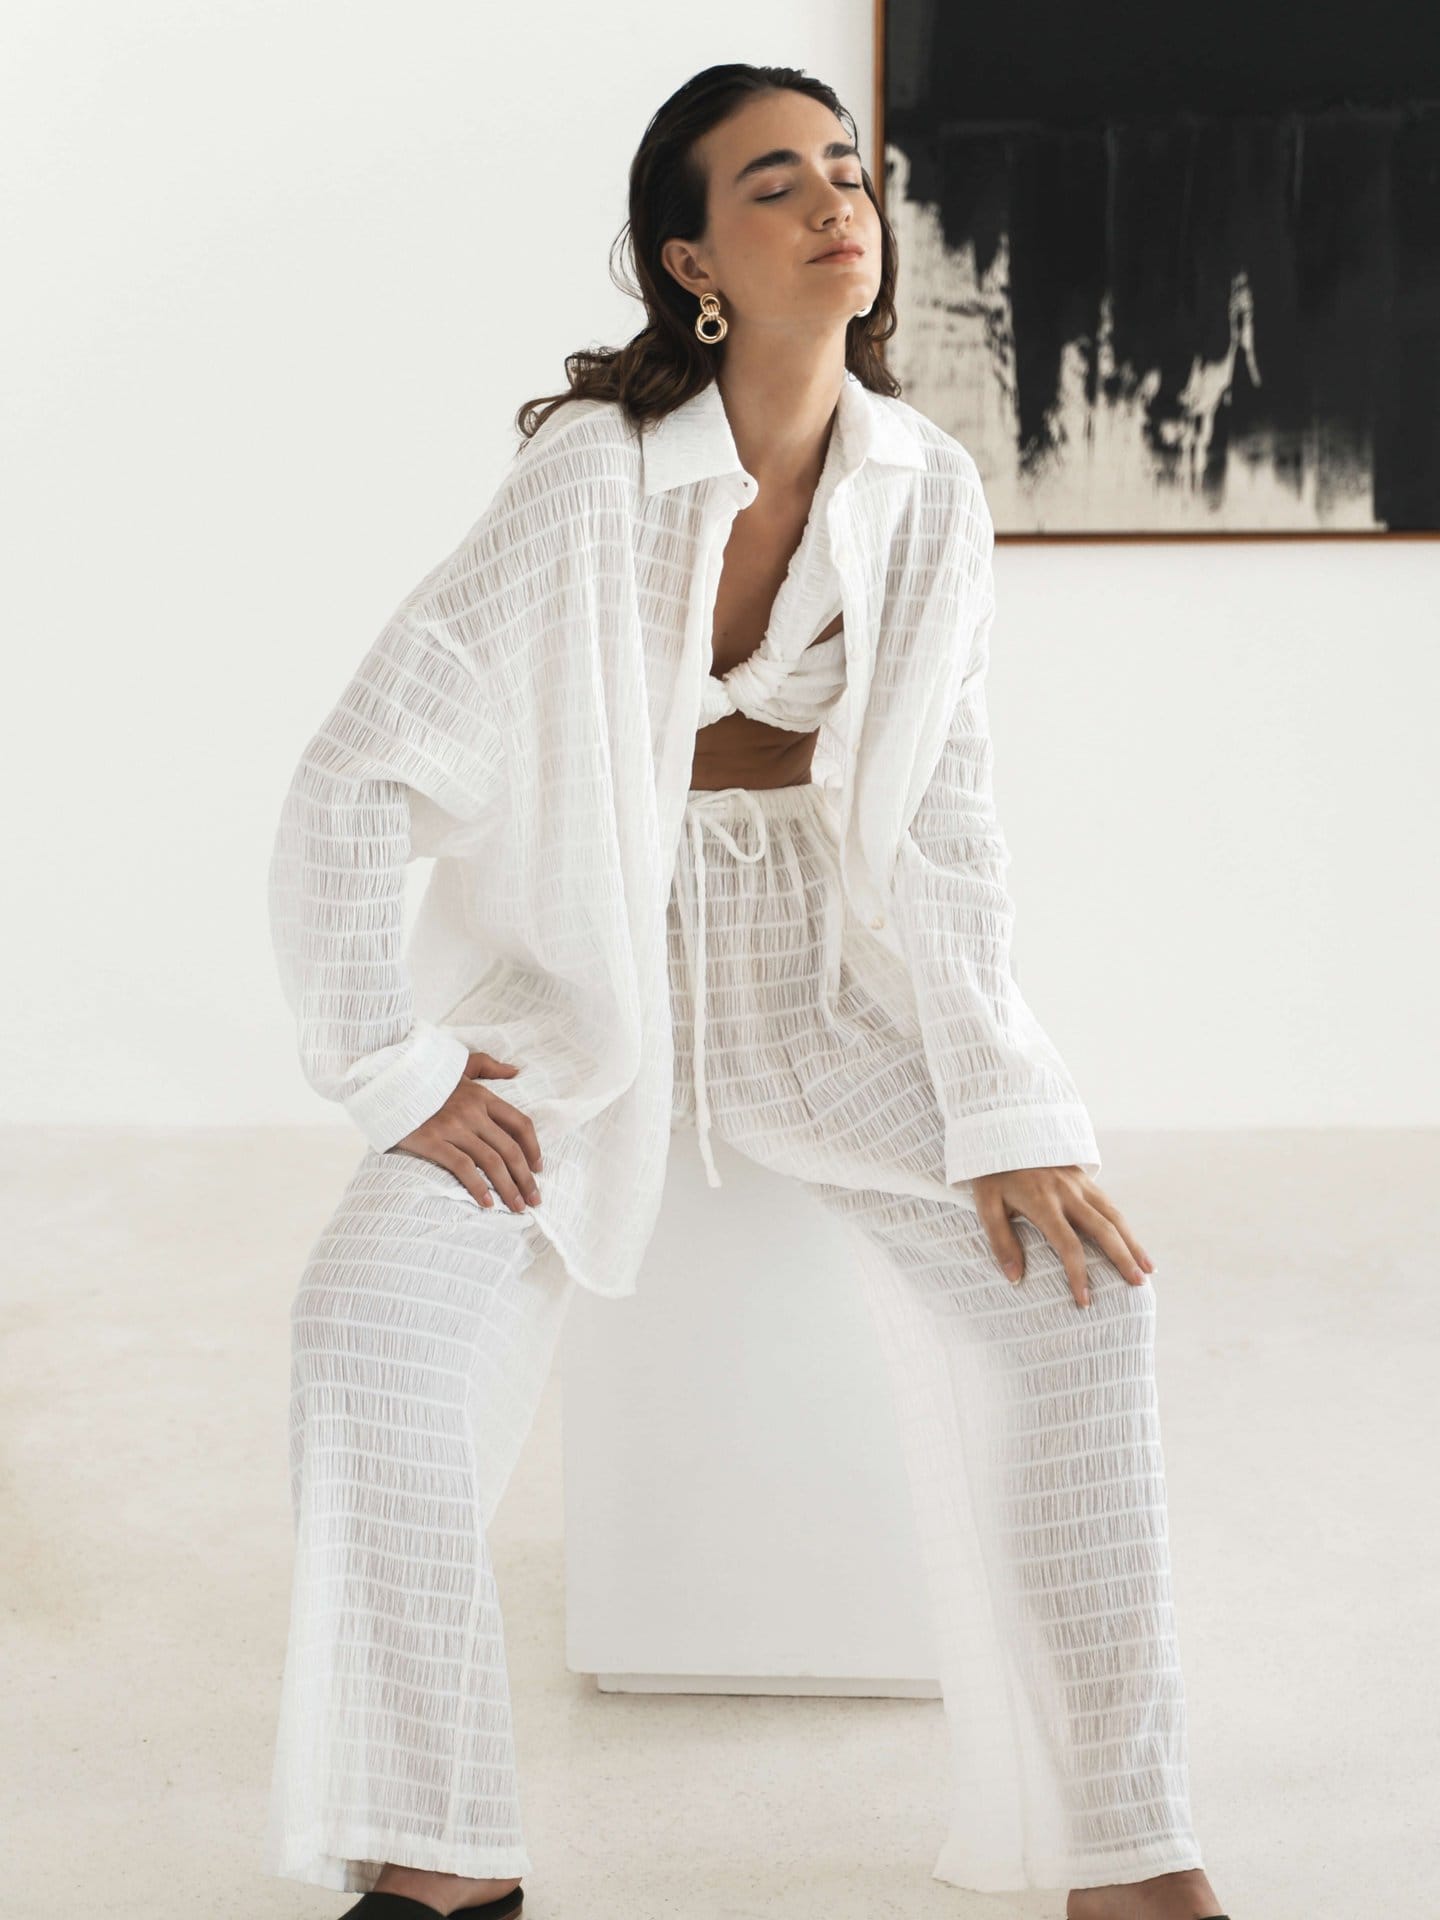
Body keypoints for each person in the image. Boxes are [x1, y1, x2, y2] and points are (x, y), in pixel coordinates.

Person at [263, 62, 1232, 1920]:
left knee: (1085, 1306)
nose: (834, 204)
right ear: (692, 259)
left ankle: (1127, 1854)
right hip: (576, 990)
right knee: (364, 1327)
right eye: (774, 184)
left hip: (822, 987)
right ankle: (436, 1849)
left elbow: (945, 826)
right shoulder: (588, 480)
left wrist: (1004, 1104)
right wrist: (392, 1066)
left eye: (846, 171)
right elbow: (358, 768)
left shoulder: (927, 487)